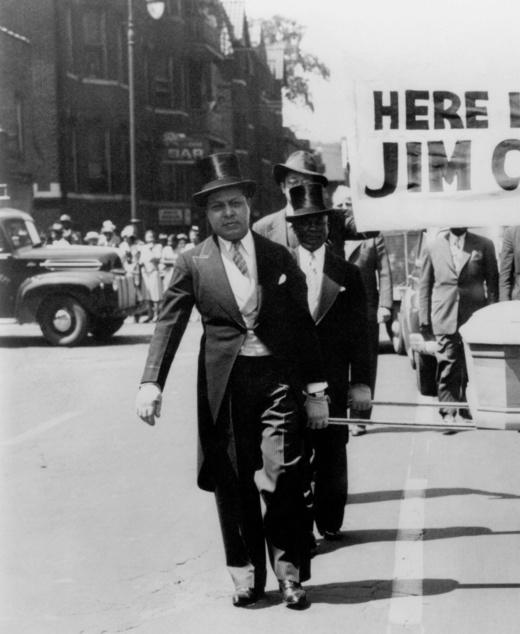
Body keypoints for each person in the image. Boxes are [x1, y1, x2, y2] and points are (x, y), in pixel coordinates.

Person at [134, 153, 329, 609]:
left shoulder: (278, 256)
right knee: (234, 480)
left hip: (277, 380)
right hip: (223, 385)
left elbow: (303, 327)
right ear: (206, 213)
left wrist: (317, 391)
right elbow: (169, 323)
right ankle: (244, 575)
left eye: (236, 203)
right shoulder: (193, 262)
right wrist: (150, 382)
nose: (229, 213)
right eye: (218, 206)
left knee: (282, 474)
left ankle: (290, 574)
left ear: (248, 205)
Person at [285, 182, 372, 544]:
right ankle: (301, 525)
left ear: (328, 225)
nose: (313, 229)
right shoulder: (280, 267)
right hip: (292, 382)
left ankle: (330, 520)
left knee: (333, 453)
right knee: (295, 454)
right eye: (305, 223)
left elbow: (362, 334)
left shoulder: (347, 273)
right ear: (293, 227)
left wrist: (361, 382)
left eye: (319, 221)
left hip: (335, 380)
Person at [418, 228, 499, 423]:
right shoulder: (433, 247)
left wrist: (492, 314)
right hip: (444, 315)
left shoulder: (484, 244)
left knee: (473, 364)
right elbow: (424, 286)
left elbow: (493, 283)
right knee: (448, 363)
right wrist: (424, 321)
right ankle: (448, 412)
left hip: (474, 316)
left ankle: (468, 407)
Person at [253, 152, 377, 258]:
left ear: (316, 187)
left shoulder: (336, 218)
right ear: (283, 187)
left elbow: (371, 227)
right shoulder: (262, 229)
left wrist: (366, 179)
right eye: (293, 182)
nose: (300, 187)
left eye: (306, 182)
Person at [342, 191, 392, 437]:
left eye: (349, 205)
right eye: (340, 205)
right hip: (337, 310)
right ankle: (340, 415)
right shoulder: (330, 234)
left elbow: (384, 271)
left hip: (366, 309)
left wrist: (385, 305)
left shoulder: (372, 236)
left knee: (366, 364)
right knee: (339, 364)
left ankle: (360, 418)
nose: (344, 209)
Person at [137, 230, 163, 323]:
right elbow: (140, 261)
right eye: (148, 236)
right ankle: (149, 315)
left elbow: (157, 258)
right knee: (148, 295)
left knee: (156, 295)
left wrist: (151, 250)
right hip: (145, 274)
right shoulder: (143, 247)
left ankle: (157, 315)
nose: (150, 237)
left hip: (153, 272)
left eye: (152, 236)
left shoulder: (158, 246)